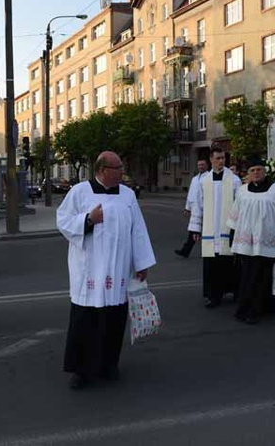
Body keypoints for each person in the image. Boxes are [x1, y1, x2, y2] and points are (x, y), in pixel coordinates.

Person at [57, 151, 156, 390]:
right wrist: (89, 220)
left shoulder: (128, 195)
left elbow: (138, 230)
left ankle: (108, 364)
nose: (123, 171)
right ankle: (81, 371)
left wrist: (141, 262)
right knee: (85, 321)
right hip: (89, 269)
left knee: (113, 319)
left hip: (118, 269)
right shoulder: (79, 192)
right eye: (118, 167)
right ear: (102, 170)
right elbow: (62, 221)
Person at [228, 156, 275, 324]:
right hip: (245, 242)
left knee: (263, 276)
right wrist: (232, 236)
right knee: (246, 275)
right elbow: (236, 214)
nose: (256, 173)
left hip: (268, 241)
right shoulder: (242, 191)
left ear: (265, 171)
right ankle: (244, 307)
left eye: (259, 169)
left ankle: (256, 309)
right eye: (252, 170)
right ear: (248, 174)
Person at [188, 146, 241, 308]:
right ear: (211, 159)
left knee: (228, 262)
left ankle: (231, 292)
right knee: (211, 263)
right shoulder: (204, 182)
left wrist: (238, 227)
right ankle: (212, 295)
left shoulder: (234, 180)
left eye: (223, 158)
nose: (221, 161)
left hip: (227, 228)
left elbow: (239, 205)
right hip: (210, 230)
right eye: (217, 158)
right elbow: (198, 206)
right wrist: (195, 228)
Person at [175, 159, 208, 258]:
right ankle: (185, 251)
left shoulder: (209, 177)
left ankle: (210, 251)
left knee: (207, 232)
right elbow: (191, 194)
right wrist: (187, 207)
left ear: (207, 165)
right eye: (199, 165)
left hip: (206, 209)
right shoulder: (194, 179)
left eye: (202, 165)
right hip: (196, 209)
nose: (201, 166)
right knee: (194, 231)